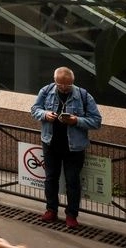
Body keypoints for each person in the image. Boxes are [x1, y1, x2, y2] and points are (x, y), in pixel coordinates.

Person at [31, 66, 102, 228]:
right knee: (50, 178)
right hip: (50, 143)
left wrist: (76, 120)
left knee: (72, 181)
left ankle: (71, 214)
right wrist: (45, 115)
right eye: (60, 84)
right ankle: (51, 210)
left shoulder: (84, 96)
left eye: (67, 85)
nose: (63, 88)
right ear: (55, 81)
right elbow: (34, 110)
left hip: (74, 147)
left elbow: (96, 121)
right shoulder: (46, 90)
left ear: (73, 82)